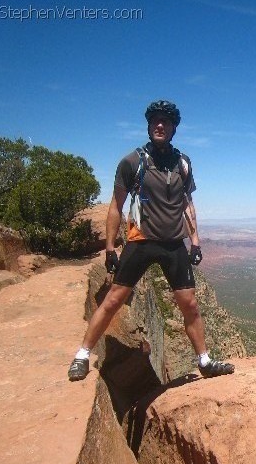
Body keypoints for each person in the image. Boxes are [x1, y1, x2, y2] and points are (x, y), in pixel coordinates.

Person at [68, 100, 234, 381]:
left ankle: (204, 361)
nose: (160, 125)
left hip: (173, 244)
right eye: (155, 121)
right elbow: (115, 206)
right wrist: (110, 247)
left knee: (190, 305)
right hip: (141, 241)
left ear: (173, 129)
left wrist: (195, 240)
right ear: (148, 126)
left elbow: (187, 203)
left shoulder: (183, 163)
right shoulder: (132, 162)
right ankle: (82, 355)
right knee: (113, 300)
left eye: (166, 122)